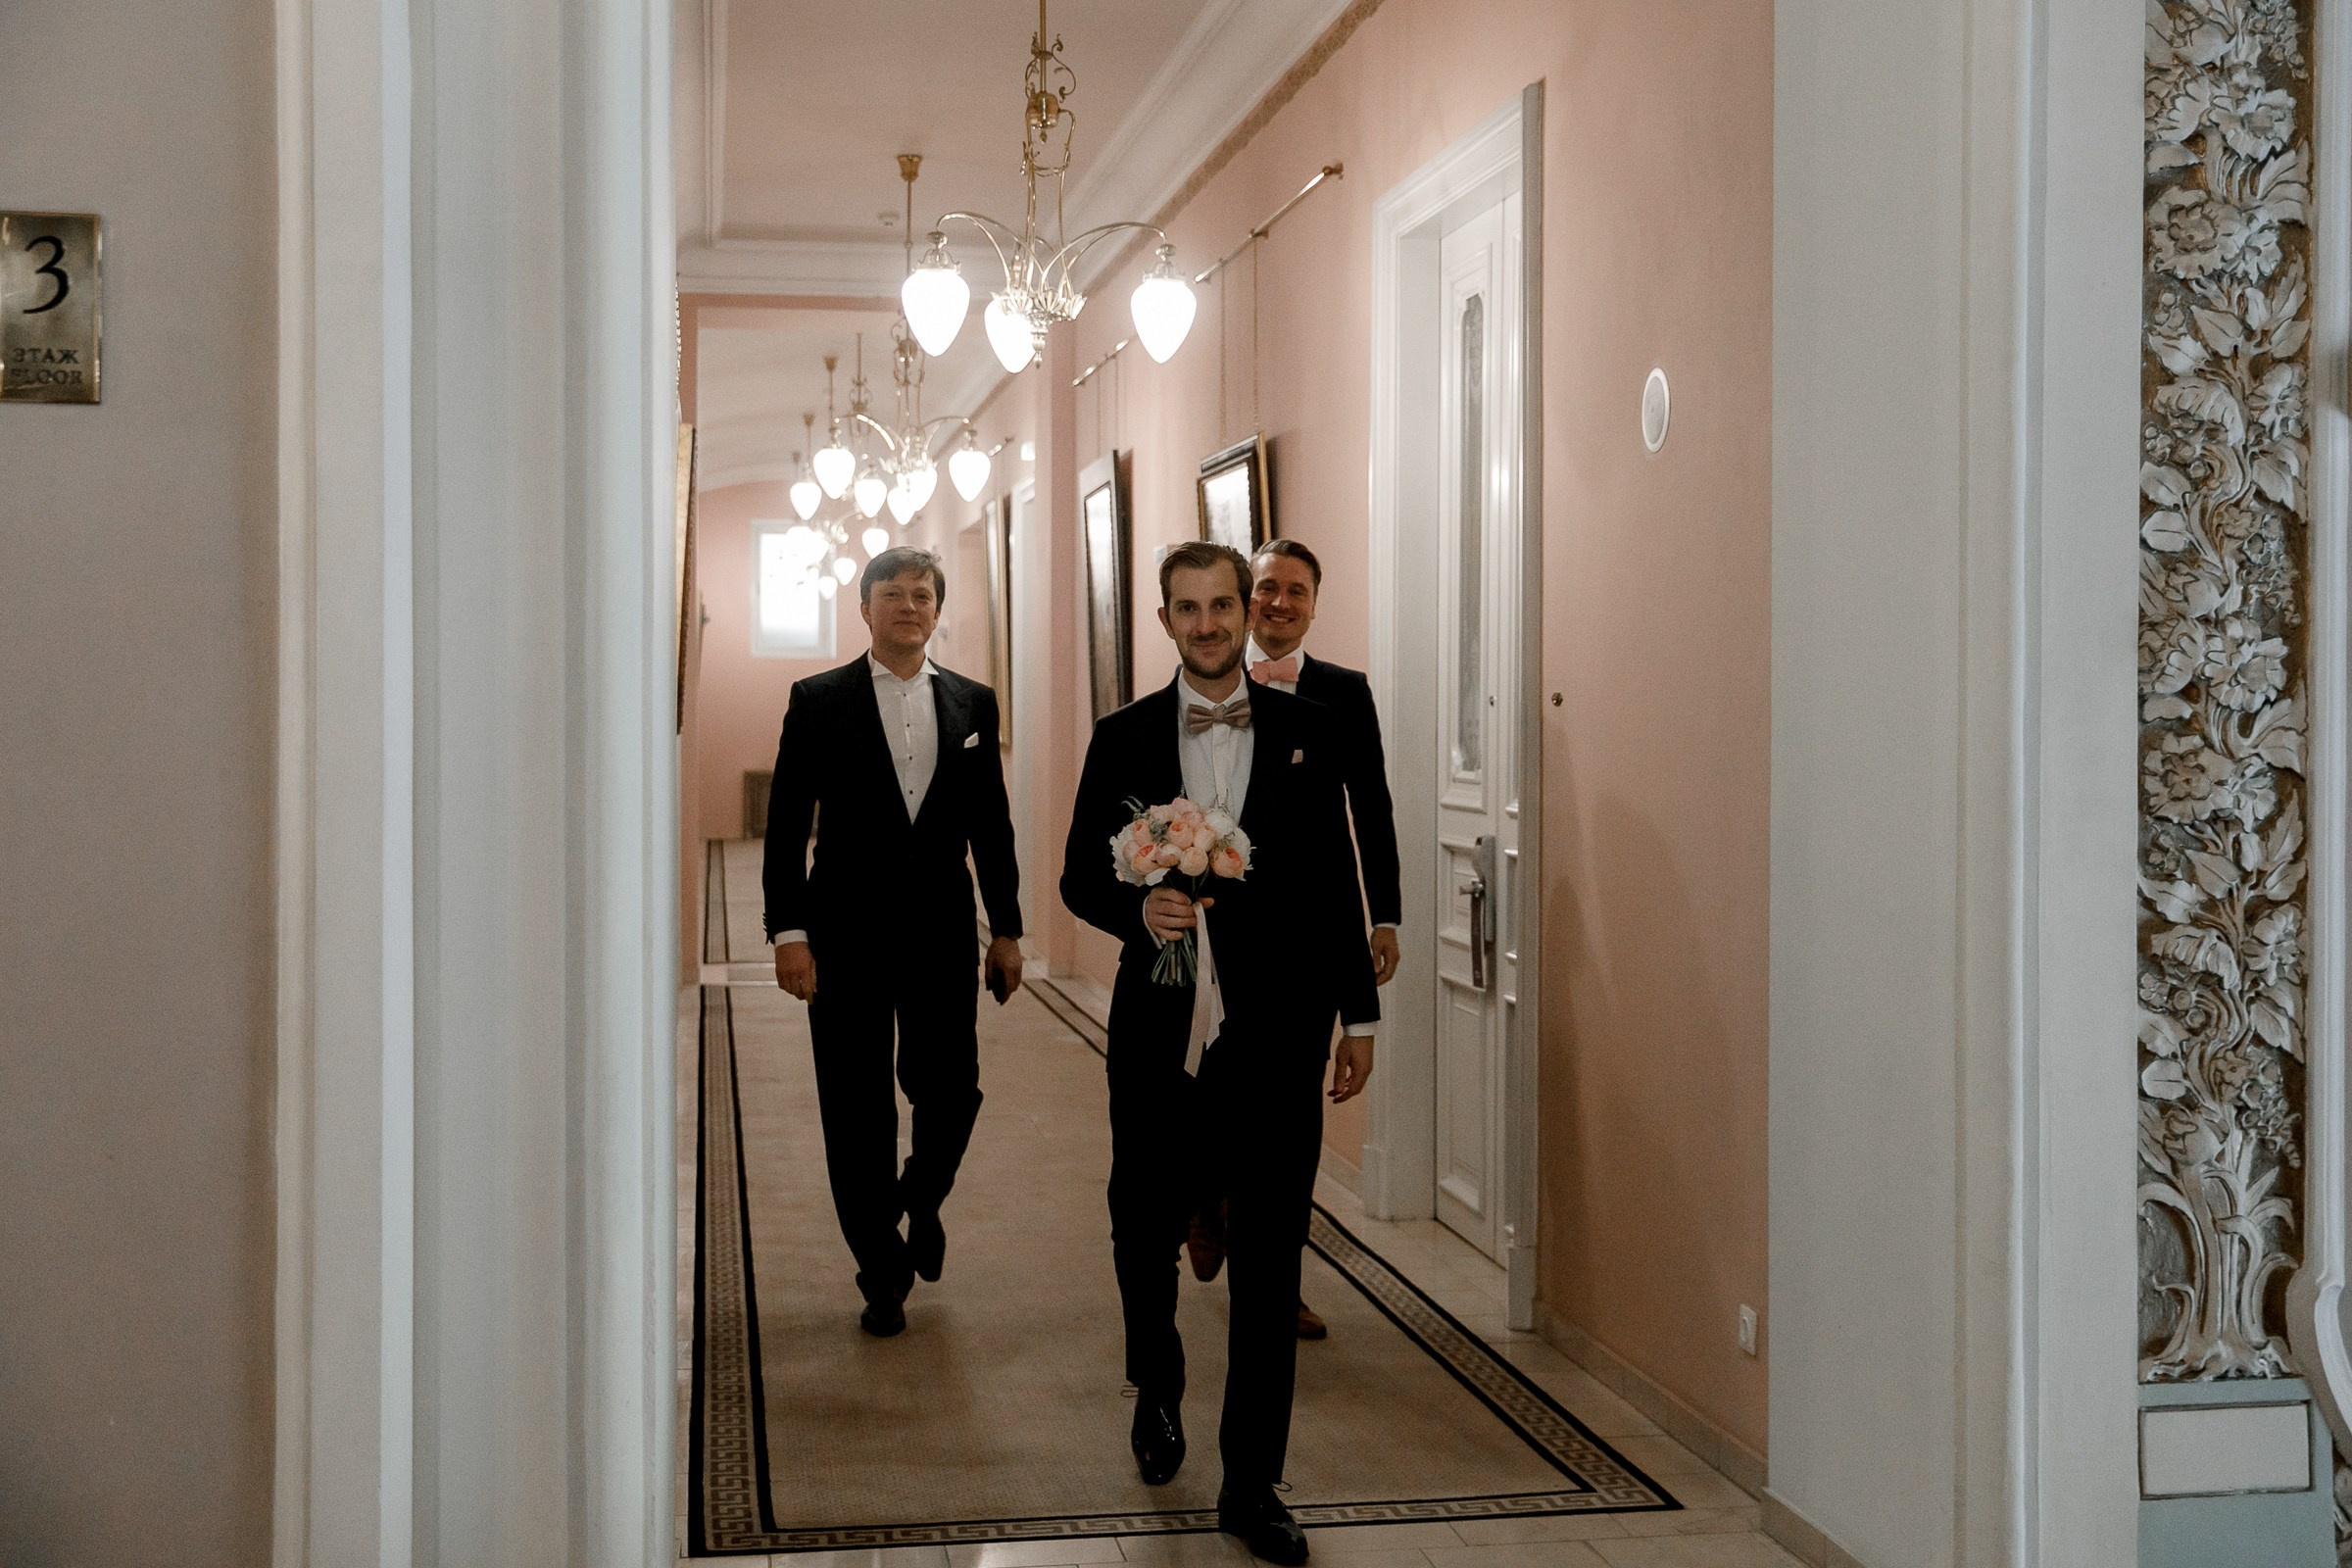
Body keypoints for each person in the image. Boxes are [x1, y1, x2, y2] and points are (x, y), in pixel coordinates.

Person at [1060, 541, 1377, 1565]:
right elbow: (1075, 874)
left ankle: (1252, 1485)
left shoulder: (1311, 732)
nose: (1206, 623)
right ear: (1163, 620)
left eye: (1222, 604)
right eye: (1187, 608)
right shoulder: (1122, 737)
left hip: (1276, 1037)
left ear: (1251, 610)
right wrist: (1132, 903)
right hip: (1157, 1033)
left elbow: (1337, 882)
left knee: (1273, 1251)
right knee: (1138, 1222)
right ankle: (1157, 1381)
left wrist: (1359, 1017)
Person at [763, 547, 1024, 1339]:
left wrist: (1007, 928)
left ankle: (921, 1197)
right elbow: (783, 828)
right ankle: (881, 1270)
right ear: (865, 608)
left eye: (922, 595)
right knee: (856, 1105)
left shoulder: (974, 703)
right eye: (893, 595)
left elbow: (992, 824)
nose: (909, 606)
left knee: (951, 1086)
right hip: (843, 928)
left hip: (944, 927)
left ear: (937, 610)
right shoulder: (818, 700)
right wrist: (789, 933)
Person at [1240, 537, 1404, 1341]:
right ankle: (1212, 1198)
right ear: (1246, 594)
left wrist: (1386, 914)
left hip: (1308, 943)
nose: (1279, 603)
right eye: (1267, 587)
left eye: (1295, 591)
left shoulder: (1345, 692)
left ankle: (1280, 1284)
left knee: (1293, 1127)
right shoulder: (1207, 680)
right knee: (1217, 1106)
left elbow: (1368, 808)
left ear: (1315, 602)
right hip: (1218, 938)